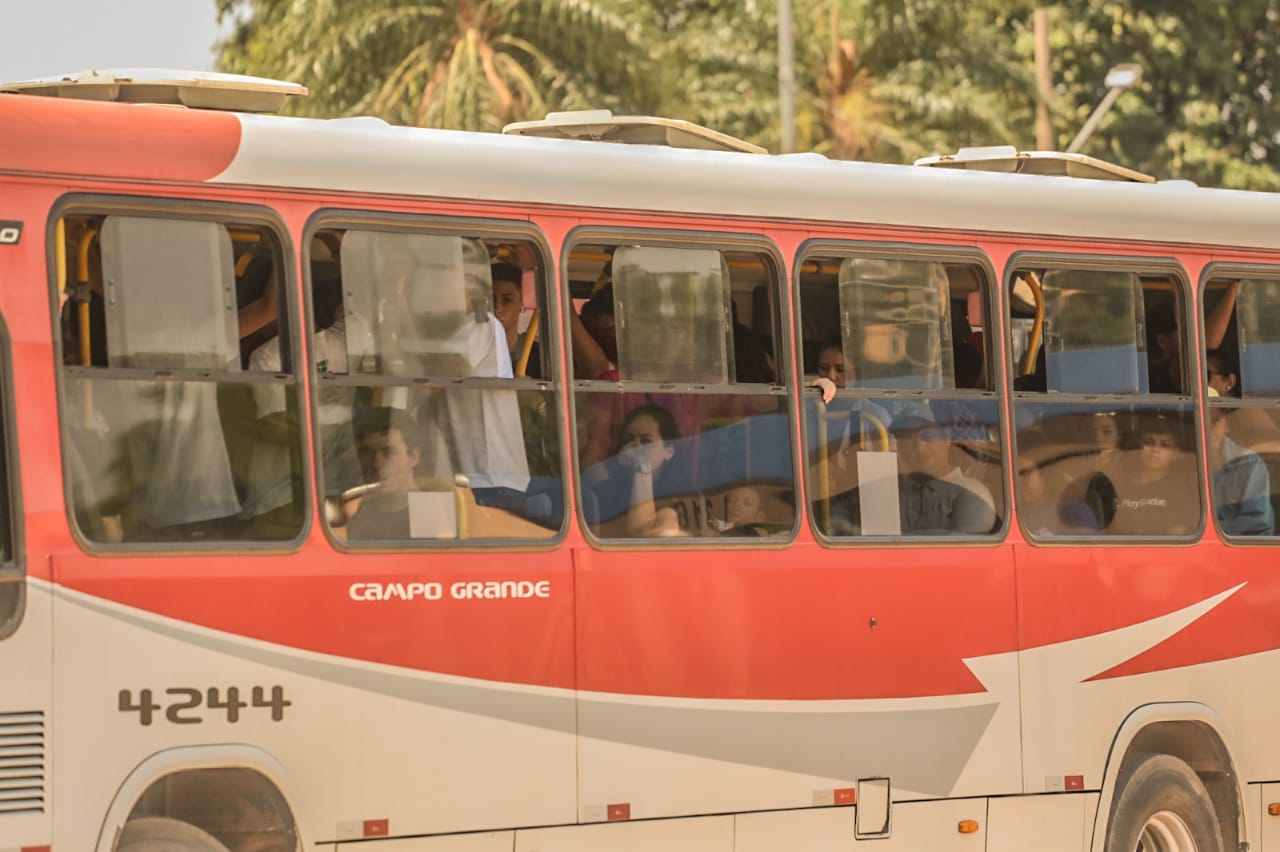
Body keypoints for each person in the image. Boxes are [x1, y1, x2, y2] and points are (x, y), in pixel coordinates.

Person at [240, 272, 373, 534]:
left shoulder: (267, 358)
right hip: (343, 488)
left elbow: (275, 428)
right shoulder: (348, 340)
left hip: (281, 495)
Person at [587, 403, 692, 537]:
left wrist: (642, 469)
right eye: (628, 440)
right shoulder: (604, 493)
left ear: (669, 452)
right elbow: (639, 532)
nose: (635, 447)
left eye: (646, 441)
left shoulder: (683, 492)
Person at [894, 406, 997, 535]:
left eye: (928, 436)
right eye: (907, 439)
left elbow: (962, 551)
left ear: (947, 438)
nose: (919, 448)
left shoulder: (971, 492)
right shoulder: (895, 490)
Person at [1108, 413, 1198, 536]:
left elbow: (1176, 542)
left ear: (1175, 453)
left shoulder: (1180, 491)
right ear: (1138, 447)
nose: (1155, 449)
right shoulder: (1118, 483)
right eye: (1149, 442)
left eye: (1165, 445)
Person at [346, 409, 425, 540]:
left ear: (413, 457)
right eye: (369, 453)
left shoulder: (431, 513)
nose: (377, 463)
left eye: (388, 452)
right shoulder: (361, 510)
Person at [1207, 398, 1274, 536]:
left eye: (1215, 420)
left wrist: (1211, 531)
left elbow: (1257, 521)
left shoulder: (1249, 463)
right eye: (1203, 420)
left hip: (1247, 549)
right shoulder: (1187, 464)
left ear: (1227, 425)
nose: (1209, 427)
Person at [491, 261, 541, 379]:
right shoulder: (468, 352)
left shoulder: (537, 357)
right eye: (491, 299)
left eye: (507, 300)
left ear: (521, 303)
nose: (497, 308)